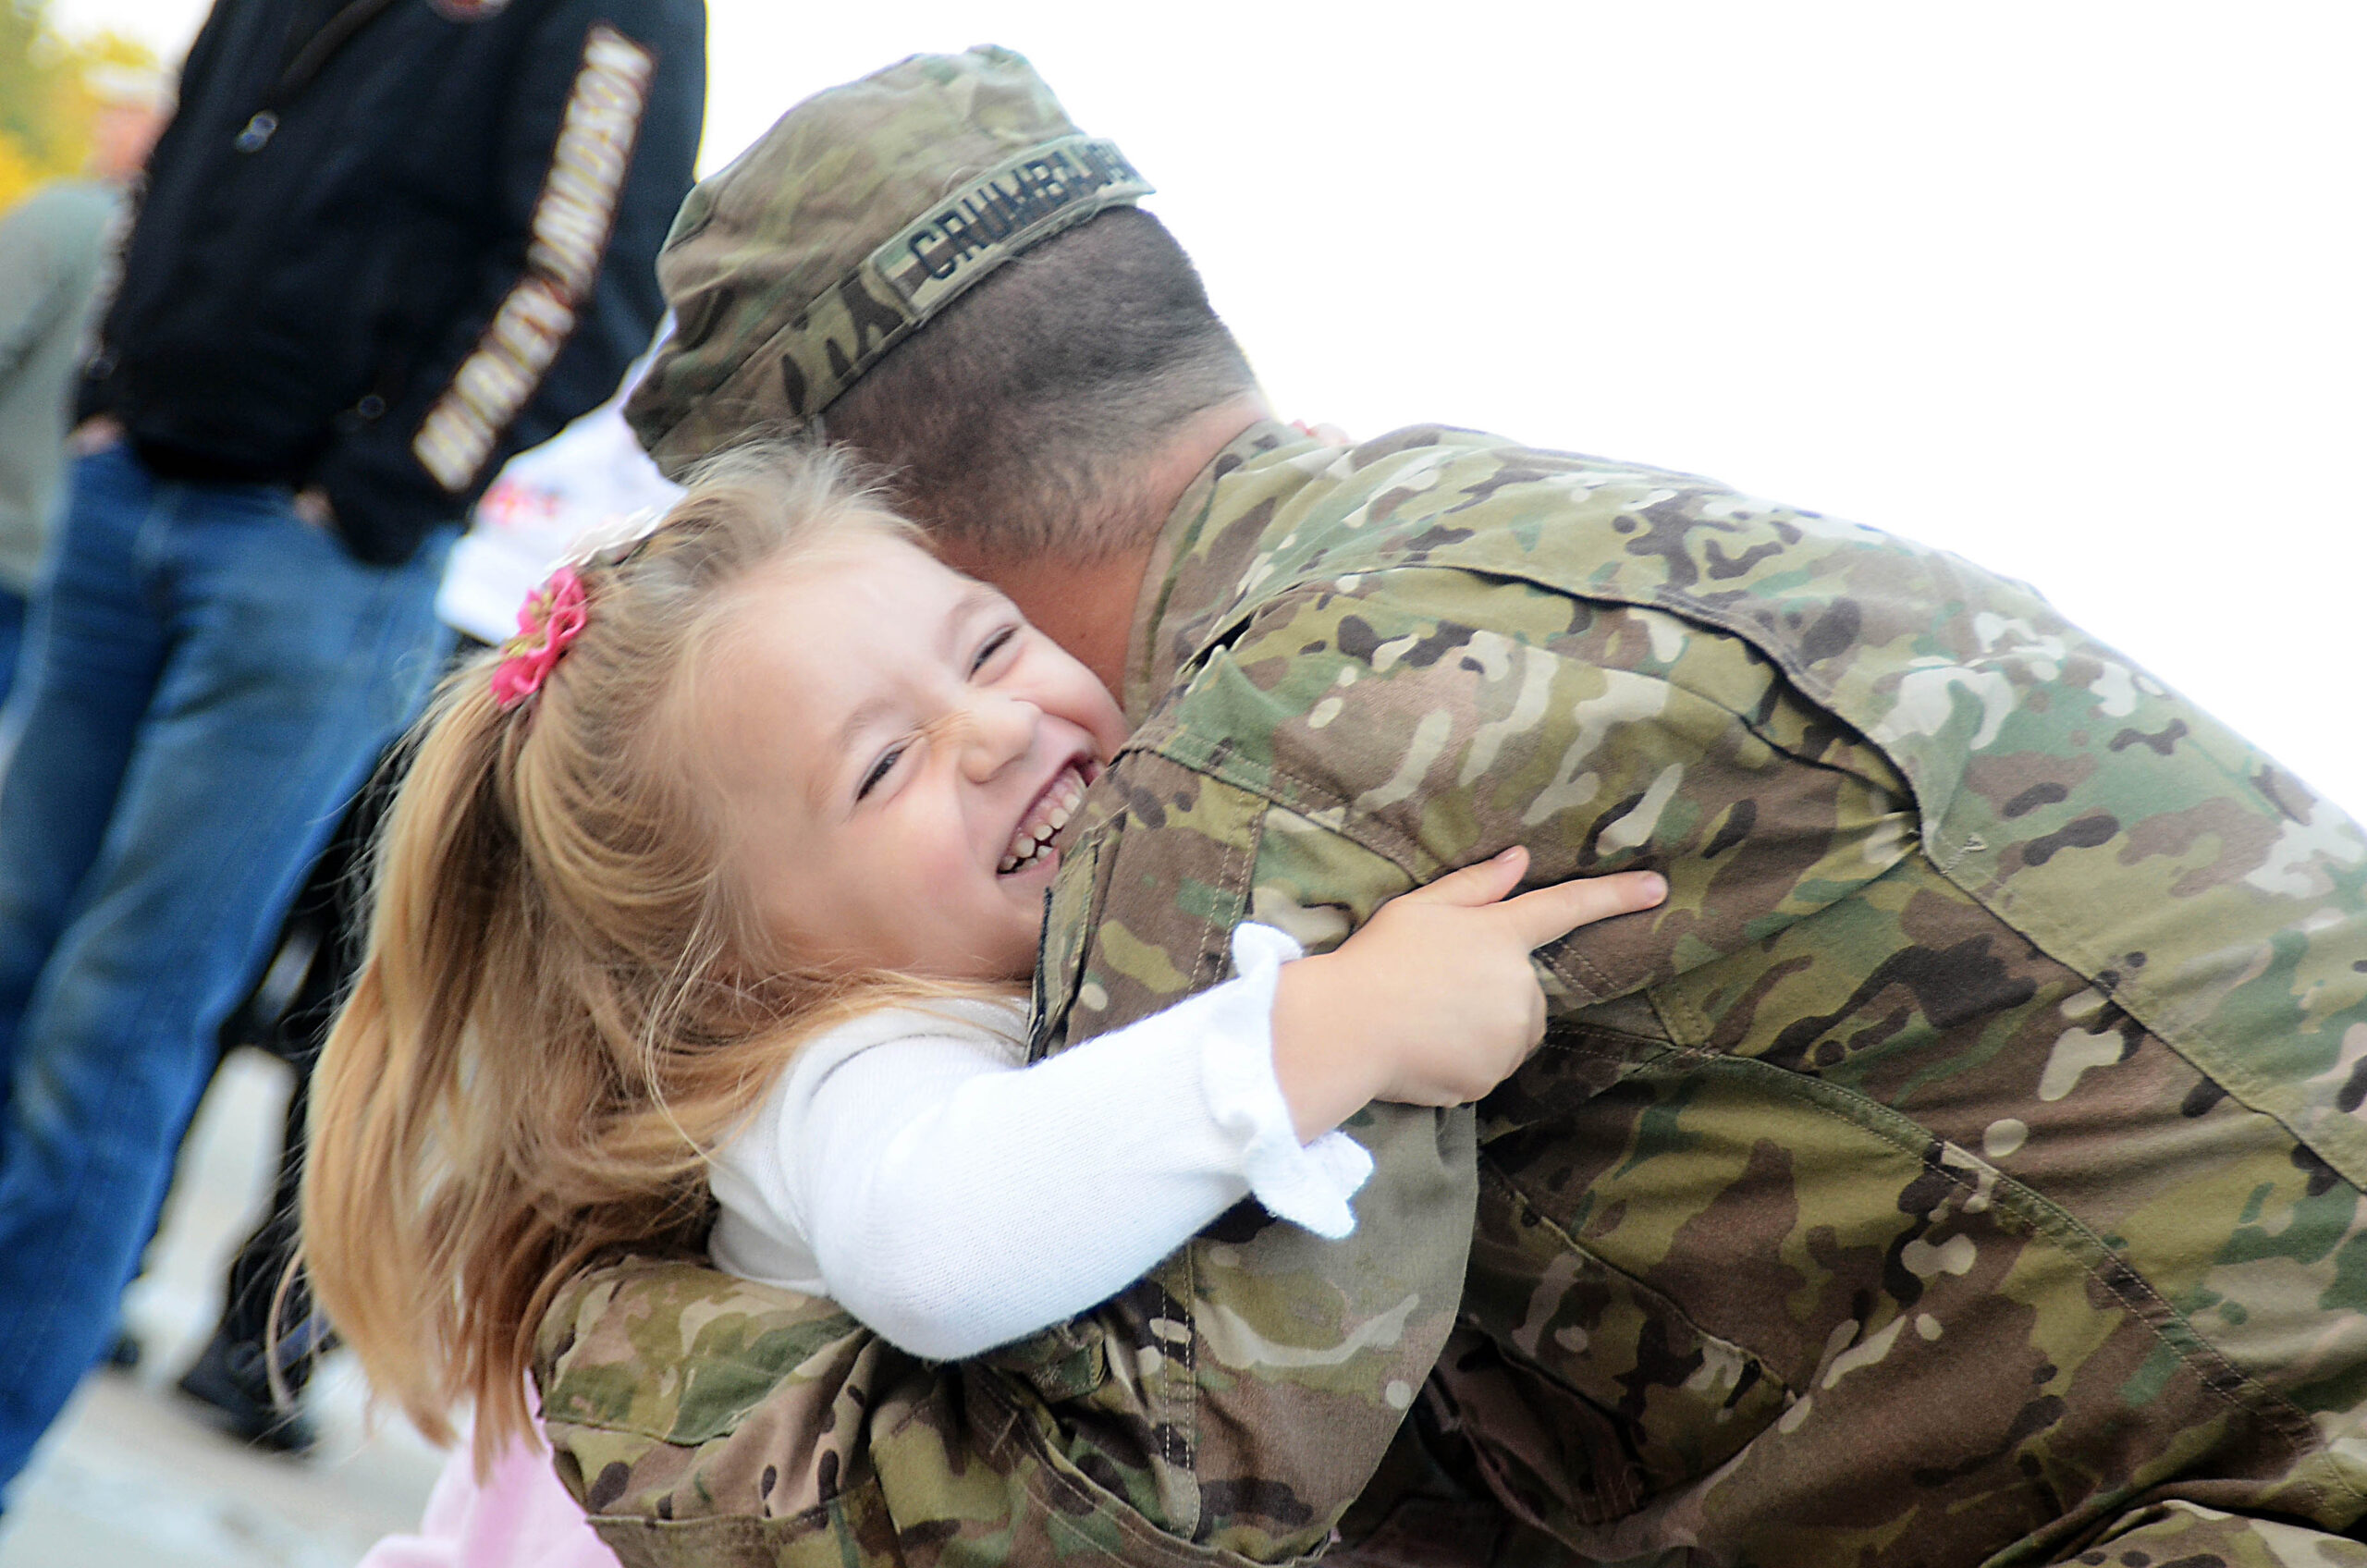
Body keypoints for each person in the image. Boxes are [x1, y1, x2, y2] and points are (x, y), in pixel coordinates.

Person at [539, 46, 2367, 1568]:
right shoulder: (1492, 518)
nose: (983, 731)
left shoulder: (1262, 758)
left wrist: (615, 1341)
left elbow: (1108, 1514)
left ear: (892, 556)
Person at [295, 448, 1663, 1526]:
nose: (1003, 726)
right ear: (737, 972)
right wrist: (1336, 1026)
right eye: (884, 767)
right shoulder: (837, 1062)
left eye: (992, 642)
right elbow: (937, 1254)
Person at [0, 0, 704, 1492]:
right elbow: (190, 134)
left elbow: (584, 280)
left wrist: (380, 495)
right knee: (12, 967)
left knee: (113, 1026)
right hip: (136, 499)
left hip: (310, 561)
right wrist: (109, 394)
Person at [0, 67, 166, 696]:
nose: (106, 123)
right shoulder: (194, 258)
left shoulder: (68, 215)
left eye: (125, 109)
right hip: (80, 564)